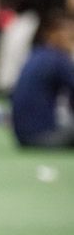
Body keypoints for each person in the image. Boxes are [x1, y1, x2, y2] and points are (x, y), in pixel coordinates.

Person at [11, 10, 74, 148]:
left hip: (21, 136)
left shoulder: (36, 53)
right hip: (42, 136)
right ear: (53, 34)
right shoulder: (58, 59)